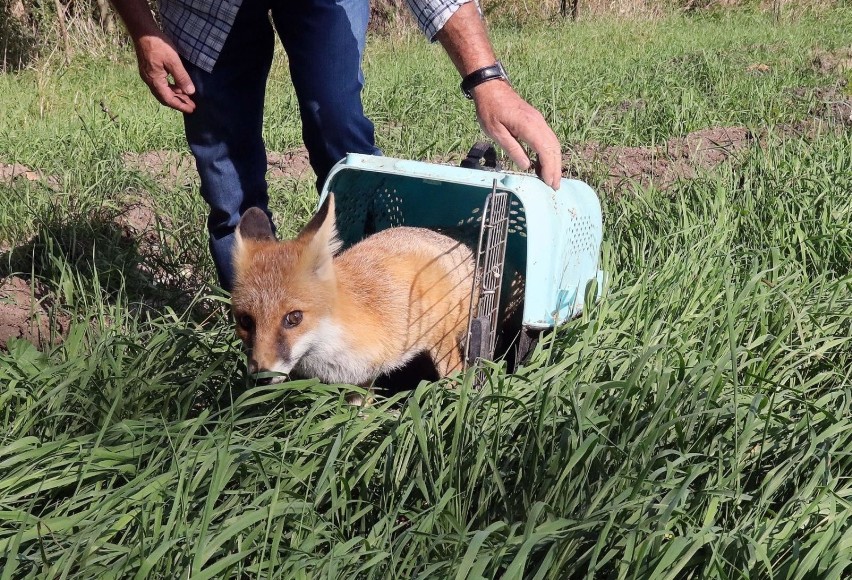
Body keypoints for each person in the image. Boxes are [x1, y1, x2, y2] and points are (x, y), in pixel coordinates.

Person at [110, 0, 562, 291]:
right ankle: (266, 361)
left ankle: (369, 317)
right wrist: (143, 29)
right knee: (231, 192)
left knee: (341, 135)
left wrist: (487, 79)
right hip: (204, 9)